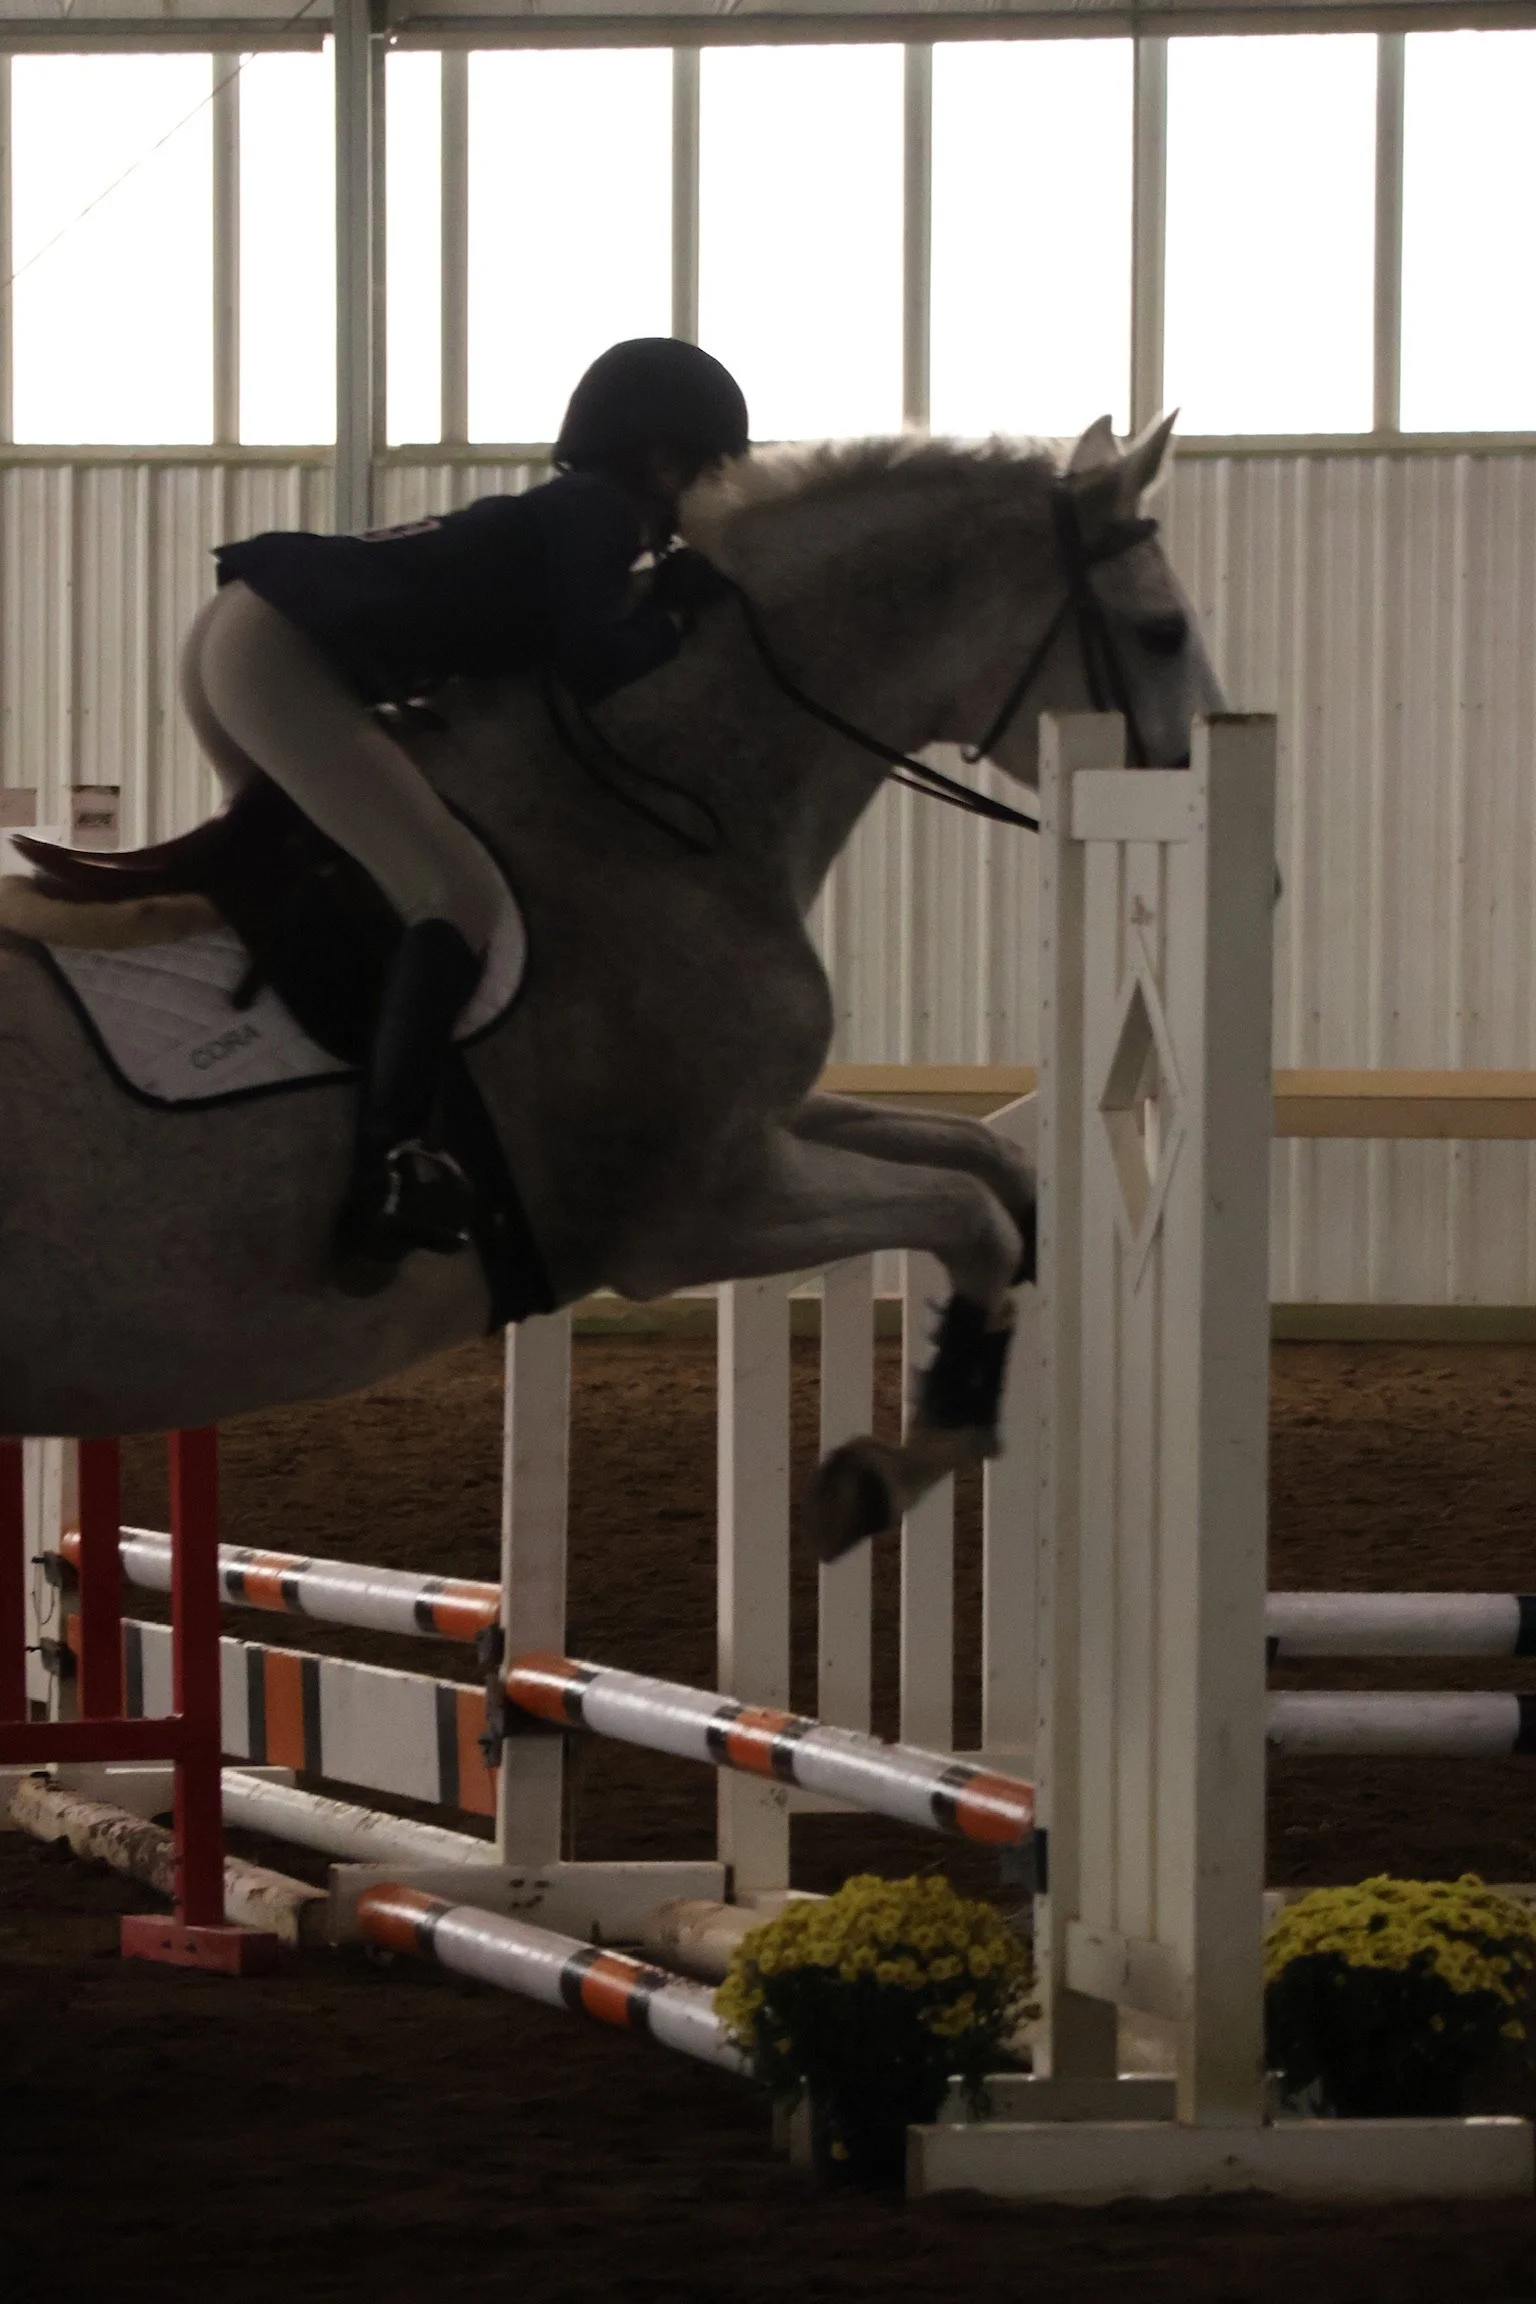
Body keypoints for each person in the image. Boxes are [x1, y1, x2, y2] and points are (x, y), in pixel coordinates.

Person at [181, 337, 750, 1296]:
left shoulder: (571, 515)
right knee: (454, 893)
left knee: (342, 885)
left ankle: (285, 1100)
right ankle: (391, 1163)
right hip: (279, 653)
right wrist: (676, 615)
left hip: (246, 634)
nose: (713, 499)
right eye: (710, 472)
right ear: (662, 462)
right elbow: (595, 663)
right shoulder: (600, 514)